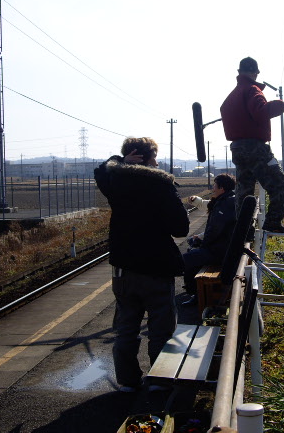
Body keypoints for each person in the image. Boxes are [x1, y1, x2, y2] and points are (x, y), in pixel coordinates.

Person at [94, 137, 190, 392]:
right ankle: (159, 379)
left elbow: (101, 169)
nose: (157, 163)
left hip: (124, 269)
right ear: (145, 158)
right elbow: (181, 228)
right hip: (156, 267)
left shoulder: (115, 181)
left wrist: (121, 162)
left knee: (126, 327)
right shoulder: (161, 184)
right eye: (155, 158)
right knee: (160, 327)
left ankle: (127, 380)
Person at [220, 56, 284, 233]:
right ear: (255, 73)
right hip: (255, 148)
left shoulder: (231, 96)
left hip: (238, 149)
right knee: (279, 185)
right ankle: (273, 222)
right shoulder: (252, 89)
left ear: (239, 72)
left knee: (244, 190)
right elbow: (261, 111)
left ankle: (243, 230)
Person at [181, 174, 237, 305]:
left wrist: (202, 242)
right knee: (192, 255)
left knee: (186, 259)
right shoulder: (228, 200)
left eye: (214, 185)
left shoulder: (224, 205)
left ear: (222, 188)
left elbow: (215, 231)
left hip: (219, 251)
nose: (213, 188)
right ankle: (195, 292)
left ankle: (195, 294)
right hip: (223, 248)